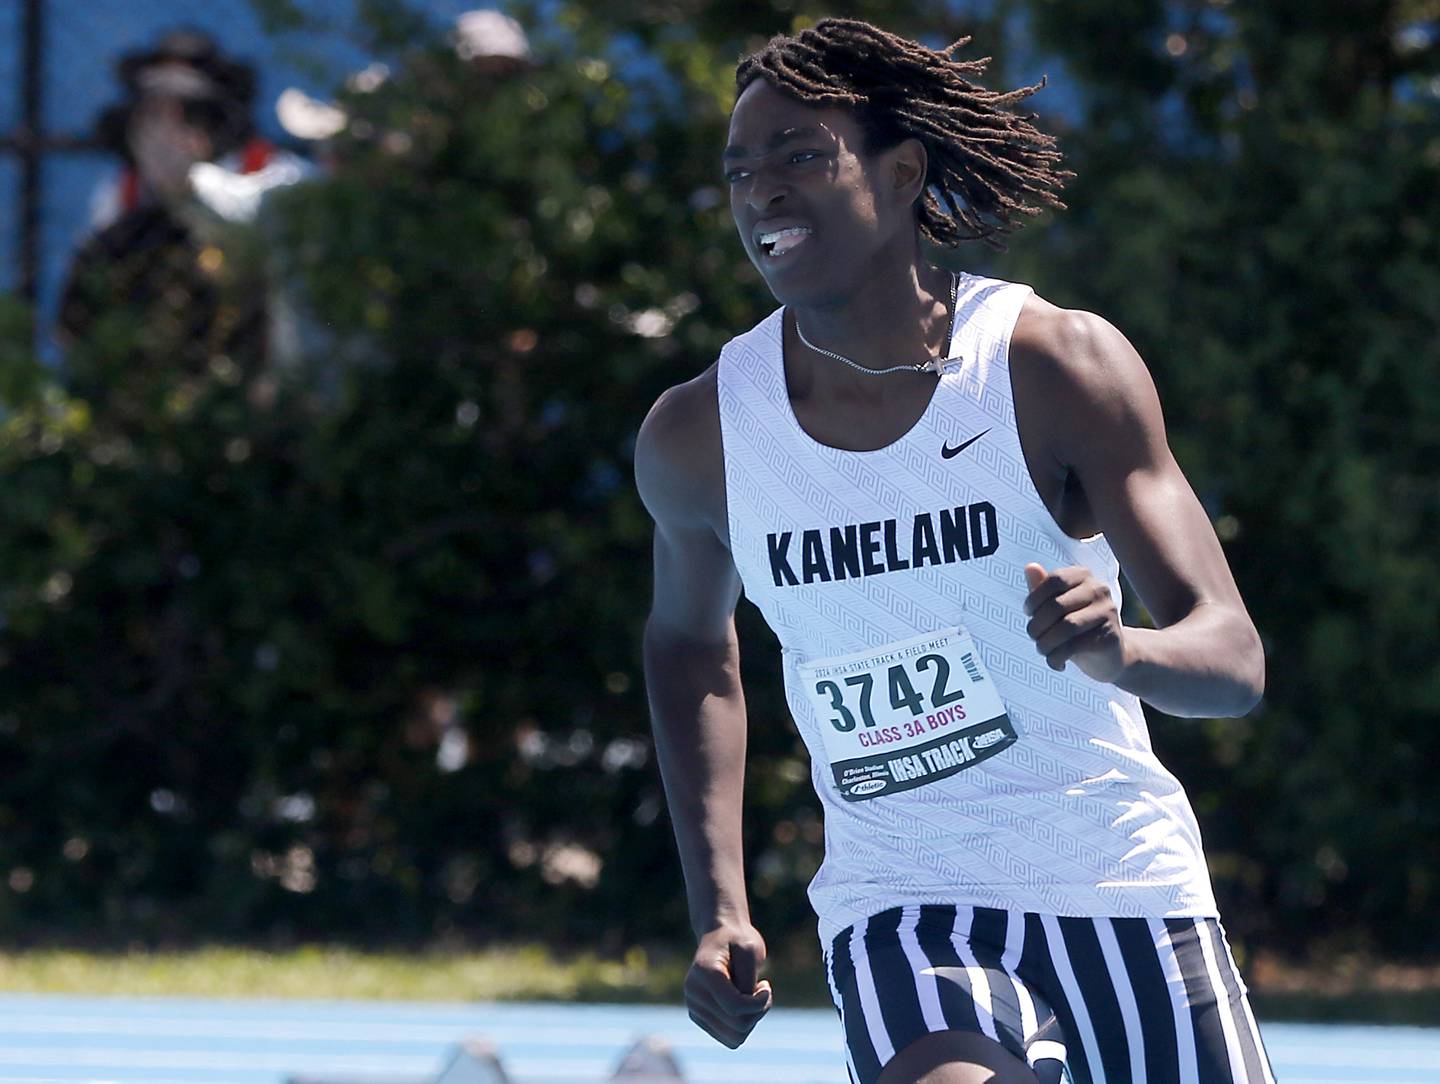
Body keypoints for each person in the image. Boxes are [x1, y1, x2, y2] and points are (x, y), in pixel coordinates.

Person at [636, 18, 1274, 1084]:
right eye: (740, 170)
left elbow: (1235, 660)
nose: (761, 192)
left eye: (800, 154)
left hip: (1121, 881)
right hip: (905, 899)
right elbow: (688, 649)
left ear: (902, 174)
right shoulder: (700, 436)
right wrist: (722, 907)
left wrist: (1125, 654)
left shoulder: (1054, 366)